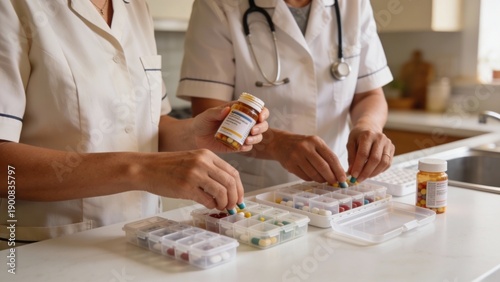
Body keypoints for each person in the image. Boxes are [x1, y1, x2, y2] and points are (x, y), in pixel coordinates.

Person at [0, 0, 268, 249]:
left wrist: (193, 134)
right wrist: (140, 169)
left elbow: (150, 125)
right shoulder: (13, 7)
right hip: (51, 248)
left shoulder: (135, 7)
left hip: (146, 238)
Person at [176, 0, 395, 191]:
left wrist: (368, 127)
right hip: (256, 187)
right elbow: (209, 112)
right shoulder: (218, 4)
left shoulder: (353, 4)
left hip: (336, 180)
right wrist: (276, 144)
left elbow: (369, 94)